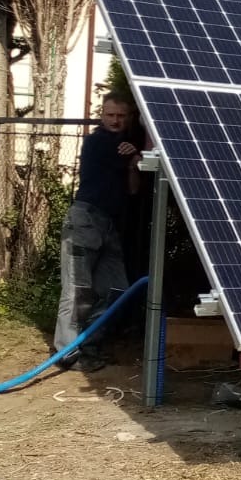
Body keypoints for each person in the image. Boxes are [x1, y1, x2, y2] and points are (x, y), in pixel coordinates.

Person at [53, 92, 139, 372]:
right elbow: (122, 158)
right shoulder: (97, 142)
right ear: (102, 115)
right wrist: (133, 155)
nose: (115, 120)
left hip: (110, 226)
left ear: (129, 117)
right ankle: (67, 353)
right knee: (77, 291)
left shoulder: (127, 145)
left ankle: (89, 345)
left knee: (117, 290)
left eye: (121, 116)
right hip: (84, 221)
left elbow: (133, 188)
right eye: (110, 115)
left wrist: (134, 160)